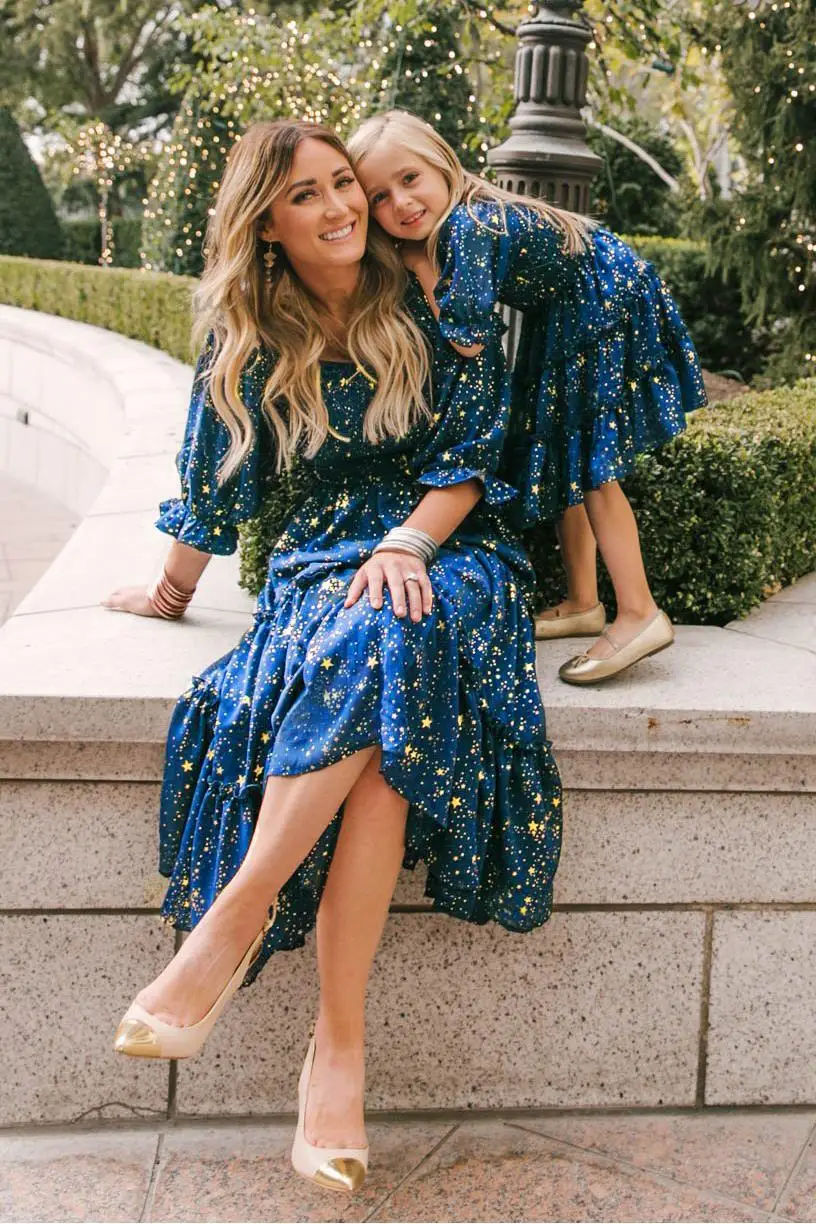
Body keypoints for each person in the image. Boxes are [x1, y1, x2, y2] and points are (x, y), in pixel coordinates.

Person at [103, 120, 562, 1194]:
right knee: (383, 711)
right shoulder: (249, 338)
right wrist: (170, 592)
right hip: (322, 561)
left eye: (342, 183)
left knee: (396, 625)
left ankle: (233, 921)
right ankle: (337, 1052)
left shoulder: (432, 297)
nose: (343, 207)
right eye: (306, 194)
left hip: (452, 550)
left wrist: (408, 545)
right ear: (266, 223)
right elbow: (213, 490)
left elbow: (470, 460)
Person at [349, 110, 708, 685]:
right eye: (380, 197)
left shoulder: (468, 225)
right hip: (568, 304)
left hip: (600, 302)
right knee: (567, 453)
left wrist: (416, 266)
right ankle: (584, 602)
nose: (402, 203)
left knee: (594, 468)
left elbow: (467, 339)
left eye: (410, 178)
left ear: (442, 165)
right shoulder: (463, 220)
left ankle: (639, 612)